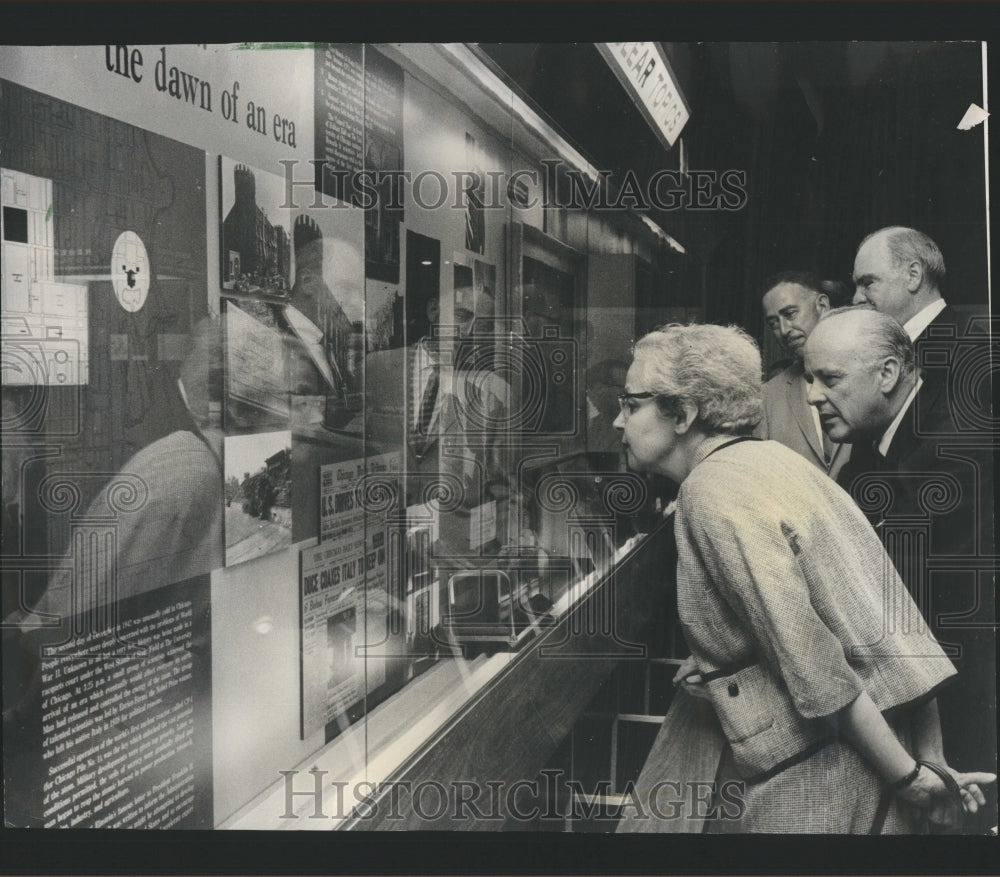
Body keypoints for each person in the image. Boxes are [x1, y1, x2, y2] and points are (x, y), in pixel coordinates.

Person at [614, 323, 993, 833]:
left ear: (683, 414)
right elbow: (892, 621)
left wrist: (912, 780)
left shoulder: (710, 493)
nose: (618, 421)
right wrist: (930, 762)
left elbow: (814, 667)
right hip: (876, 761)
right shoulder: (778, 463)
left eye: (631, 403)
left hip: (823, 782)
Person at [804, 306, 996, 781]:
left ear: (888, 374)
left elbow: (895, 594)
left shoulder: (953, 450)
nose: (812, 397)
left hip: (965, 716)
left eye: (829, 378)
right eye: (810, 380)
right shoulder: (873, 448)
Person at [756, 270, 849, 478]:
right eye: (773, 323)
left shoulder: (868, 377)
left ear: (822, 306)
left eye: (790, 314)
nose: (784, 329)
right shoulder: (768, 398)